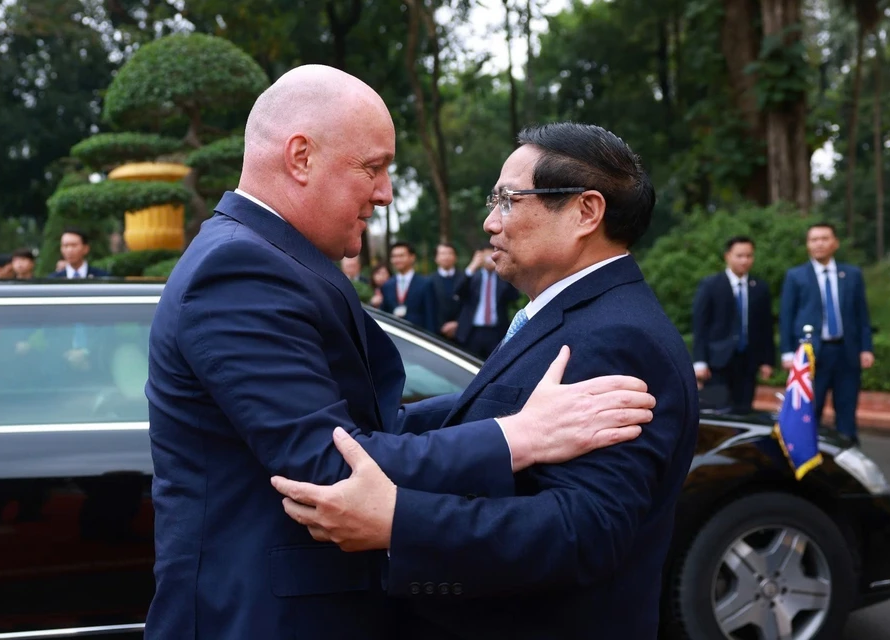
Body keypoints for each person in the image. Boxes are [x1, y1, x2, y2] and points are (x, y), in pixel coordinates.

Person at [144, 66, 655, 640]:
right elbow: (334, 467)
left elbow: (366, 420)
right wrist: (519, 437)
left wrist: (503, 412)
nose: (385, 193)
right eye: (373, 167)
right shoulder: (238, 270)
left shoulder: (268, 257)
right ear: (300, 157)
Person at [273, 123, 700, 639]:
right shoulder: (570, 317)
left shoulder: (619, 338)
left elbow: (582, 531)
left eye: (508, 200)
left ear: (586, 212)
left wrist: (398, 520)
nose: (489, 222)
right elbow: (494, 408)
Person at [779, 222, 874, 444]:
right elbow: (786, 316)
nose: (819, 243)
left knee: (847, 411)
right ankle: (814, 460)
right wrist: (786, 352)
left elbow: (862, 314)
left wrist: (866, 347)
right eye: (814, 239)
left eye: (824, 238)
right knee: (812, 411)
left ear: (835, 243)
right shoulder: (796, 276)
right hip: (812, 355)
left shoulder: (851, 274)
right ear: (807, 245)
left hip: (846, 352)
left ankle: (849, 459)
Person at [692, 236, 775, 413]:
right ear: (728, 256)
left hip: (748, 362)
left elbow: (766, 327)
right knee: (718, 412)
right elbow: (700, 325)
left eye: (749, 255)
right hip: (717, 363)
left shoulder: (759, 288)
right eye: (739, 255)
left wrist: (767, 361)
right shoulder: (711, 285)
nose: (744, 260)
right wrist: (700, 360)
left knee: (744, 411)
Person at [454, 243, 520, 358]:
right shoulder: (472, 276)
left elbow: (514, 296)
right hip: (472, 331)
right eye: (486, 256)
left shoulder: (503, 279)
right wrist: (472, 267)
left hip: (496, 332)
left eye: (493, 255)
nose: (490, 259)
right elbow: (458, 292)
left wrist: (505, 269)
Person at [380, 242, 438, 332]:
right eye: (394, 256)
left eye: (401, 256)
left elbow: (431, 317)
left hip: (418, 336)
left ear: (412, 257)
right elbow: (384, 313)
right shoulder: (387, 285)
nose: (397, 260)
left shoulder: (425, 284)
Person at [432, 242, 465, 341]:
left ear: (455, 257)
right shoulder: (429, 281)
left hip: (462, 333)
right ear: (436, 258)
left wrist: (458, 323)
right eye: (442, 254)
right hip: (436, 334)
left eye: (449, 253)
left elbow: (469, 304)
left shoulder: (465, 278)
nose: (446, 257)